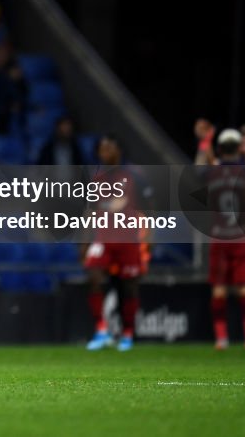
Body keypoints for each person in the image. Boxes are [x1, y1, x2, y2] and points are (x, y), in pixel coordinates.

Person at [84, 134, 153, 352]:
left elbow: (148, 208)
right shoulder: (96, 178)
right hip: (104, 238)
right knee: (93, 276)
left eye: (108, 148)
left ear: (118, 150)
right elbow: (90, 211)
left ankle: (127, 334)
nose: (104, 152)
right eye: (101, 148)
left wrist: (149, 237)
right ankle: (101, 330)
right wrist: (84, 242)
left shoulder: (134, 176)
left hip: (129, 239)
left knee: (129, 287)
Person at [205, 129, 245, 351]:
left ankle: (221, 339)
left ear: (220, 149)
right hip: (244, 236)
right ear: (239, 148)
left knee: (219, 289)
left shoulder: (211, 173)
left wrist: (204, 145)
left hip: (220, 235)